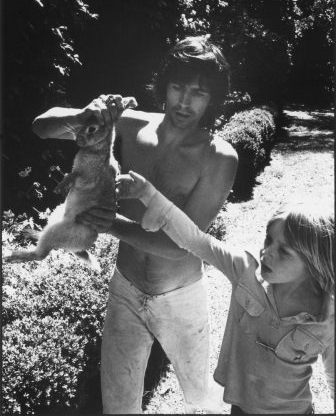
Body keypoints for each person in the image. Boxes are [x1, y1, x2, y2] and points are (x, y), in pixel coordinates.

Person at [32, 35, 238, 414]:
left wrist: (111, 224)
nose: (184, 101)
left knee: (200, 398)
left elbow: (184, 245)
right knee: (119, 407)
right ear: (164, 85)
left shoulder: (219, 157)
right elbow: (42, 126)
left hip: (181, 296)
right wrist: (83, 117)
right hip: (125, 290)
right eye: (177, 86)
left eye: (198, 92)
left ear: (213, 99)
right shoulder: (130, 124)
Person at [108, 170, 334, 414]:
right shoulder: (244, 270)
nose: (266, 253)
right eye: (268, 240)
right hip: (241, 409)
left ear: (314, 263)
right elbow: (196, 240)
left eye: (284, 252)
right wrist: (149, 195)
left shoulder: (328, 318)